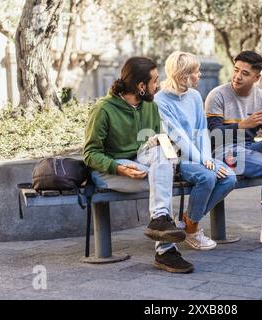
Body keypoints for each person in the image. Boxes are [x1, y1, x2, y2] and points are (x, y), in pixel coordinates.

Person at [83, 57, 194, 273]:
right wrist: (118, 168)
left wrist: (172, 154)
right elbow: (90, 154)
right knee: (161, 180)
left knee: (162, 157)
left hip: (142, 164)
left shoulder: (150, 106)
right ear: (141, 86)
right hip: (110, 168)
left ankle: (160, 219)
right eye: (154, 81)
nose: (158, 85)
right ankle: (165, 251)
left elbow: (160, 139)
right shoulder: (103, 109)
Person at [205, 50, 262, 247]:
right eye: (236, 70)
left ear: (257, 77)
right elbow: (213, 137)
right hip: (224, 153)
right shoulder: (217, 95)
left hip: (249, 148)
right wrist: (242, 125)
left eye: (245, 73)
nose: (237, 77)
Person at [155, 51, 237, 250]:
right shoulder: (160, 100)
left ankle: (188, 220)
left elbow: (201, 131)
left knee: (229, 178)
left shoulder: (194, 96)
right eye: (196, 72)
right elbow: (179, 138)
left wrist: (207, 159)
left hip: (200, 156)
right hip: (177, 159)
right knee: (207, 177)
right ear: (183, 75)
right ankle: (192, 231)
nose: (199, 75)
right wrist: (203, 162)